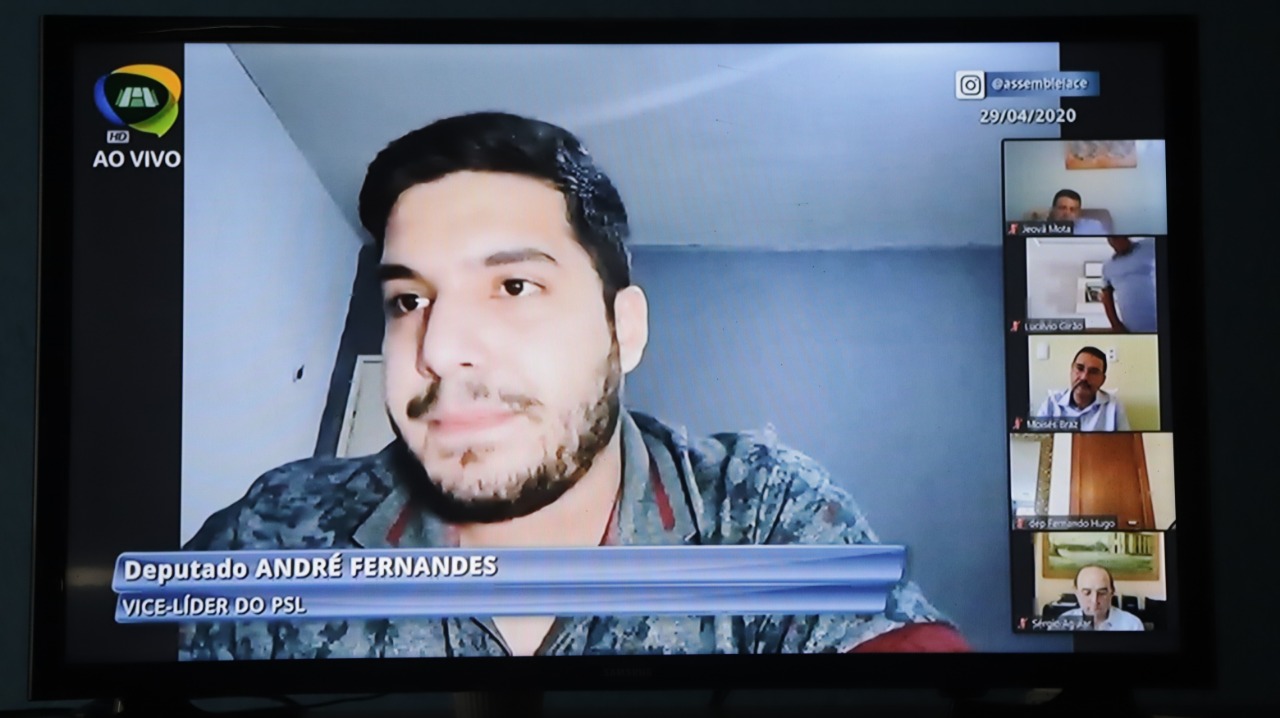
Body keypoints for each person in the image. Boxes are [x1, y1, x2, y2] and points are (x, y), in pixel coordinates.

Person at [180, 112, 969, 658]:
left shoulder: (757, 512)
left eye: (513, 286)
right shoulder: (279, 526)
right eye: (409, 301)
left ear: (626, 331)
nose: (439, 350)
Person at [1033, 347, 1130, 431]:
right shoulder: (1051, 404)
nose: (1084, 377)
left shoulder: (1114, 407)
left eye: (1093, 372)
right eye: (1079, 368)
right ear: (1071, 371)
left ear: (1102, 380)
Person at [1057, 565, 1145, 631]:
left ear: (1112, 592)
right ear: (1076, 593)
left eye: (1102, 593)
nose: (1094, 600)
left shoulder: (1132, 625)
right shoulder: (1065, 621)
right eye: (1087, 593)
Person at [1100, 236, 1157, 333]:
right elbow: (1106, 296)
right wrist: (1116, 325)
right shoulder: (1108, 266)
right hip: (1133, 329)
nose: (1116, 241)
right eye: (1112, 238)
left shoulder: (1150, 245)